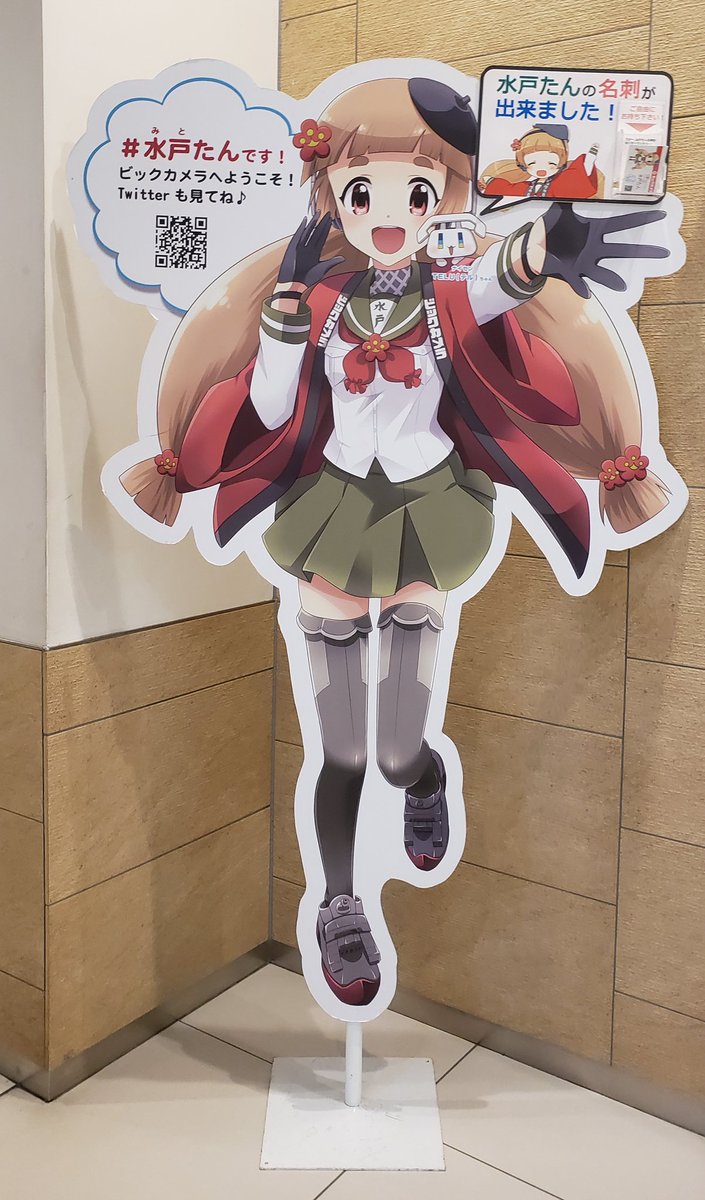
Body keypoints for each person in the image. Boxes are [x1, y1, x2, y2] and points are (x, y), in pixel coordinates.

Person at [121, 77, 668, 1006]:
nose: (387, 214)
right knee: (339, 753)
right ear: (330, 194)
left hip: (429, 510)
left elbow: (507, 276)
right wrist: (286, 312)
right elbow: (268, 408)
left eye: (416, 193)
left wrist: (553, 233)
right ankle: (339, 904)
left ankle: (422, 778)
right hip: (328, 513)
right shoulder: (315, 297)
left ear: (443, 199)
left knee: (395, 746)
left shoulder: (451, 288)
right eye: (360, 189)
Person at [481, 122, 600, 199]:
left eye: (551, 163)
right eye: (532, 163)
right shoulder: (525, 186)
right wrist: (490, 181)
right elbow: (509, 190)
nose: (541, 169)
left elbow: (575, 180)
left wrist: (588, 162)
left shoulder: (559, 184)